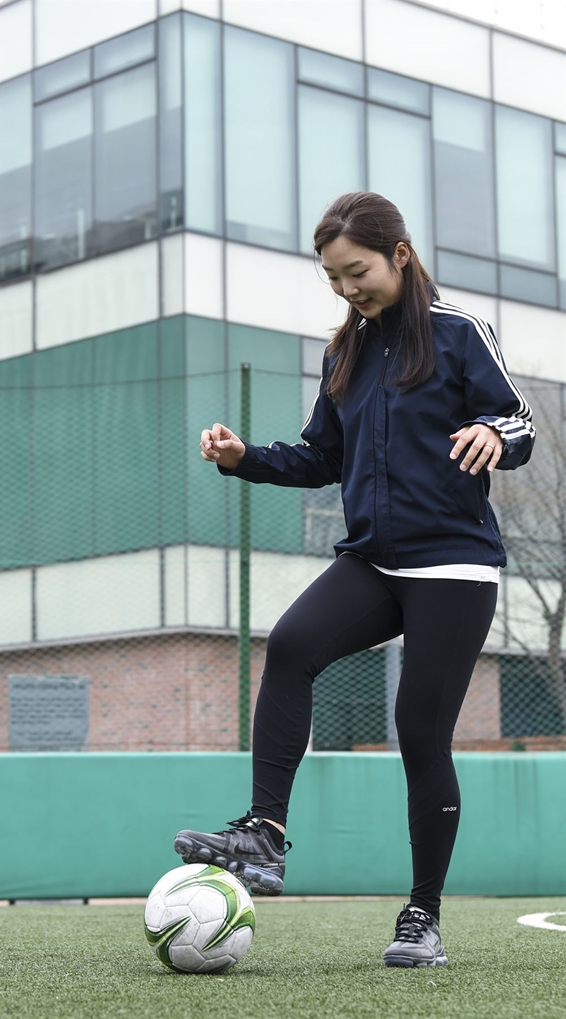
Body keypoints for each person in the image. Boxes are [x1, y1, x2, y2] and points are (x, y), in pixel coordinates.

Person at [173, 191, 535, 968]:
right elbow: (320, 457)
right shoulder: (346, 353)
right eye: (334, 278)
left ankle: (422, 916)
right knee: (293, 642)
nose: (347, 289)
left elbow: (521, 421)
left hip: (452, 564)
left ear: (399, 254)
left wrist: (489, 432)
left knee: (418, 732)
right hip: (372, 557)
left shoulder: (459, 333)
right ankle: (264, 836)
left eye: (357, 272)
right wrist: (247, 459)